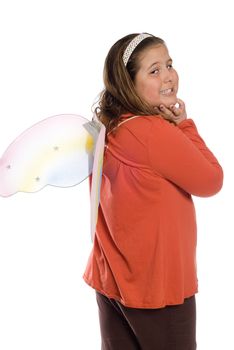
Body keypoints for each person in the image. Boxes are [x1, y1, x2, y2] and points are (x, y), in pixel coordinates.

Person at [83, 33, 223, 350]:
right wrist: (185, 125)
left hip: (112, 280)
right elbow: (211, 180)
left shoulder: (108, 126)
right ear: (128, 83)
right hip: (156, 288)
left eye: (169, 64)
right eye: (154, 70)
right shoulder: (154, 133)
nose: (169, 76)